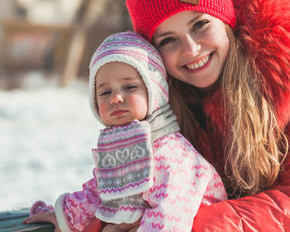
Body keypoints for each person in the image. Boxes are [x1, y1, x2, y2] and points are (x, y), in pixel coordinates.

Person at [125, 0, 290, 230]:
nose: (191, 49)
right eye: (168, 40)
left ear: (226, 21)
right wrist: (82, 218)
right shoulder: (159, 110)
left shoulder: (281, 80)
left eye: (200, 24)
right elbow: (132, 194)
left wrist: (192, 223)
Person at [23, 31, 227, 231]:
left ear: (155, 91)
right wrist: (65, 215)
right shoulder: (122, 144)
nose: (115, 98)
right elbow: (101, 191)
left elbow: (169, 216)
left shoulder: (172, 154)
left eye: (129, 87)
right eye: (105, 92)